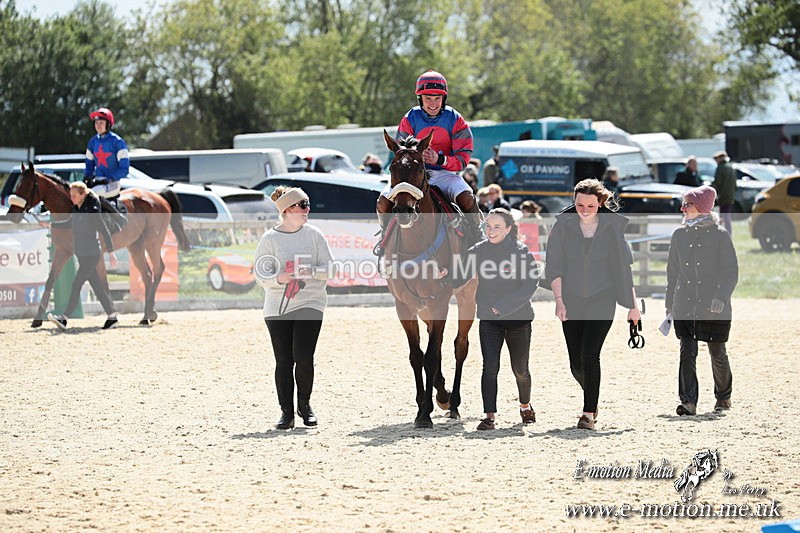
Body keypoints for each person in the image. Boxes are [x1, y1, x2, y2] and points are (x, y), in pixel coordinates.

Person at [544, 178, 641, 430]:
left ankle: (588, 413)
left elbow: (623, 268)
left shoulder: (612, 228)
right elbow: (553, 266)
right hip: (571, 298)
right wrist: (559, 300)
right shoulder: (562, 226)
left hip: (603, 297)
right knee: (575, 361)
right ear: (574, 202)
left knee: (590, 355)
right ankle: (593, 397)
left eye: (590, 205)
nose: (585, 210)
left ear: (600, 203)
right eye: (579, 205)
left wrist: (633, 306)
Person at [255, 186, 334, 430]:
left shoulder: (314, 234)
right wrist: (280, 278)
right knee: (283, 360)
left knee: (304, 356)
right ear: (287, 210)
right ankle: (286, 412)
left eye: (307, 204)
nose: (307, 209)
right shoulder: (269, 238)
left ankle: (305, 405)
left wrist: (311, 272)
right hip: (277, 306)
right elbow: (260, 273)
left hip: (311, 303)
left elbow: (330, 269)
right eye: (302, 205)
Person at [376, 70, 482, 244]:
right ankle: (384, 238)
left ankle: (478, 238)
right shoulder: (410, 117)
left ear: (443, 99)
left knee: (467, 198)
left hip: (445, 174)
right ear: (420, 99)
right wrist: (417, 158)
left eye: (437, 98)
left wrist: (439, 160)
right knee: (382, 202)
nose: (433, 104)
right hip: (411, 176)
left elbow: (463, 159)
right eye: (428, 99)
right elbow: (400, 152)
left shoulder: (455, 119)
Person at [666, 185, 738, 416]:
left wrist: (721, 296)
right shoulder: (679, 235)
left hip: (713, 304)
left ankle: (723, 396)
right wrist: (669, 305)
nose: (683, 208)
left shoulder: (720, 236)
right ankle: (688, 402)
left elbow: (731, 271)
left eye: (688, 204)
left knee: (717, 351)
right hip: (685, 303)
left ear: (703, 208)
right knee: (687, 351)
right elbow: (672, 272)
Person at [467, 209, 539, 429]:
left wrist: (504, 306)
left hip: (519, 319)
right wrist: (444, 274)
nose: (491, 230)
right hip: (489, 319)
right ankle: (489, 416)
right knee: (490, 367)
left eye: (497, 226)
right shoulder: (477, 251)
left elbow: (531, 283)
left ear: (508, 229)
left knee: (520, 369)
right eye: (488, 226)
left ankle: (525, 406)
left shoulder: (521, 251)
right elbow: (460, 275)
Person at [47, 182, 118, 331]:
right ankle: (112, 317)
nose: (71, 198)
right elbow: (68, 223)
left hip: (92, 255)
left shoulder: (92, 212)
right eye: (70, 195)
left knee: (76, 284)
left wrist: (111, 252)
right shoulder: (76, 210)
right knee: (97, 287)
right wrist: (50, 225)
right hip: (82, 254)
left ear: (82, 195)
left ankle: (64, 319)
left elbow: (104, 229)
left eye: (74, 195)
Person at [84, 107, 128, 228]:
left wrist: (111, 178)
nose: (98, 125)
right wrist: (87, 177)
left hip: (113, 184)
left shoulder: (118, 142)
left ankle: (118, 217)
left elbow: (125, 169)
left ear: (108, 124)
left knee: (93, 194)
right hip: (97, 182)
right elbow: (89, 164)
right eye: (96, 123)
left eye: (101, 123)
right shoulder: (93, 142)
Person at [712, 150, 736, 235]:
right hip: (731, 196)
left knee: (723, 217)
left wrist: (711, 191)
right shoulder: (731, 167)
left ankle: (722, 234)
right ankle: (727, 234)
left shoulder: (720, 168)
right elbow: (735, 184)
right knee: (727, 216)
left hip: (723, 197)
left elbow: (717, 182)